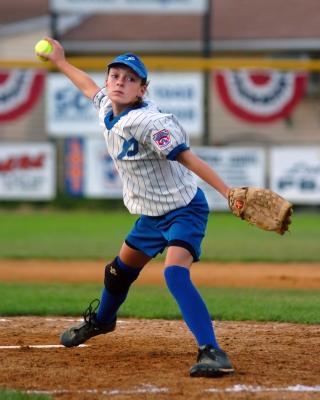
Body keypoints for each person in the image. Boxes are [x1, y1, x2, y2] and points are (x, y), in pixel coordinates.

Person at [38, 37, 234, 378]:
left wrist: (228, 193)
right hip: (150, 213)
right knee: (117, 272)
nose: (120, 82)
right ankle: (102, 321)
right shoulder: (106, 107)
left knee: (174, 273)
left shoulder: (149, 122)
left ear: (141, 89)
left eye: (130, 79)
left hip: (183, 209)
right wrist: (60, 62)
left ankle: (212, 351)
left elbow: (188, 157)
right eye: (115, 75)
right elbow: (87, 87)